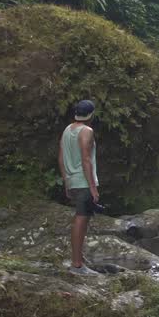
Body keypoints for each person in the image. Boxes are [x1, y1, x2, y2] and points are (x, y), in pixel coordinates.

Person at [58, 99, 100, 276]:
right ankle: (77, 265)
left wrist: (66, 182)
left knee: (81, 219)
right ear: (91, 115)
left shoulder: (67, 129)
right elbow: (86, 159)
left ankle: (78, 258)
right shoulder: (86, 131)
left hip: (73, 180)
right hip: (83, 182)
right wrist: (93, 187)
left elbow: (61, 158)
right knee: (81, 220)